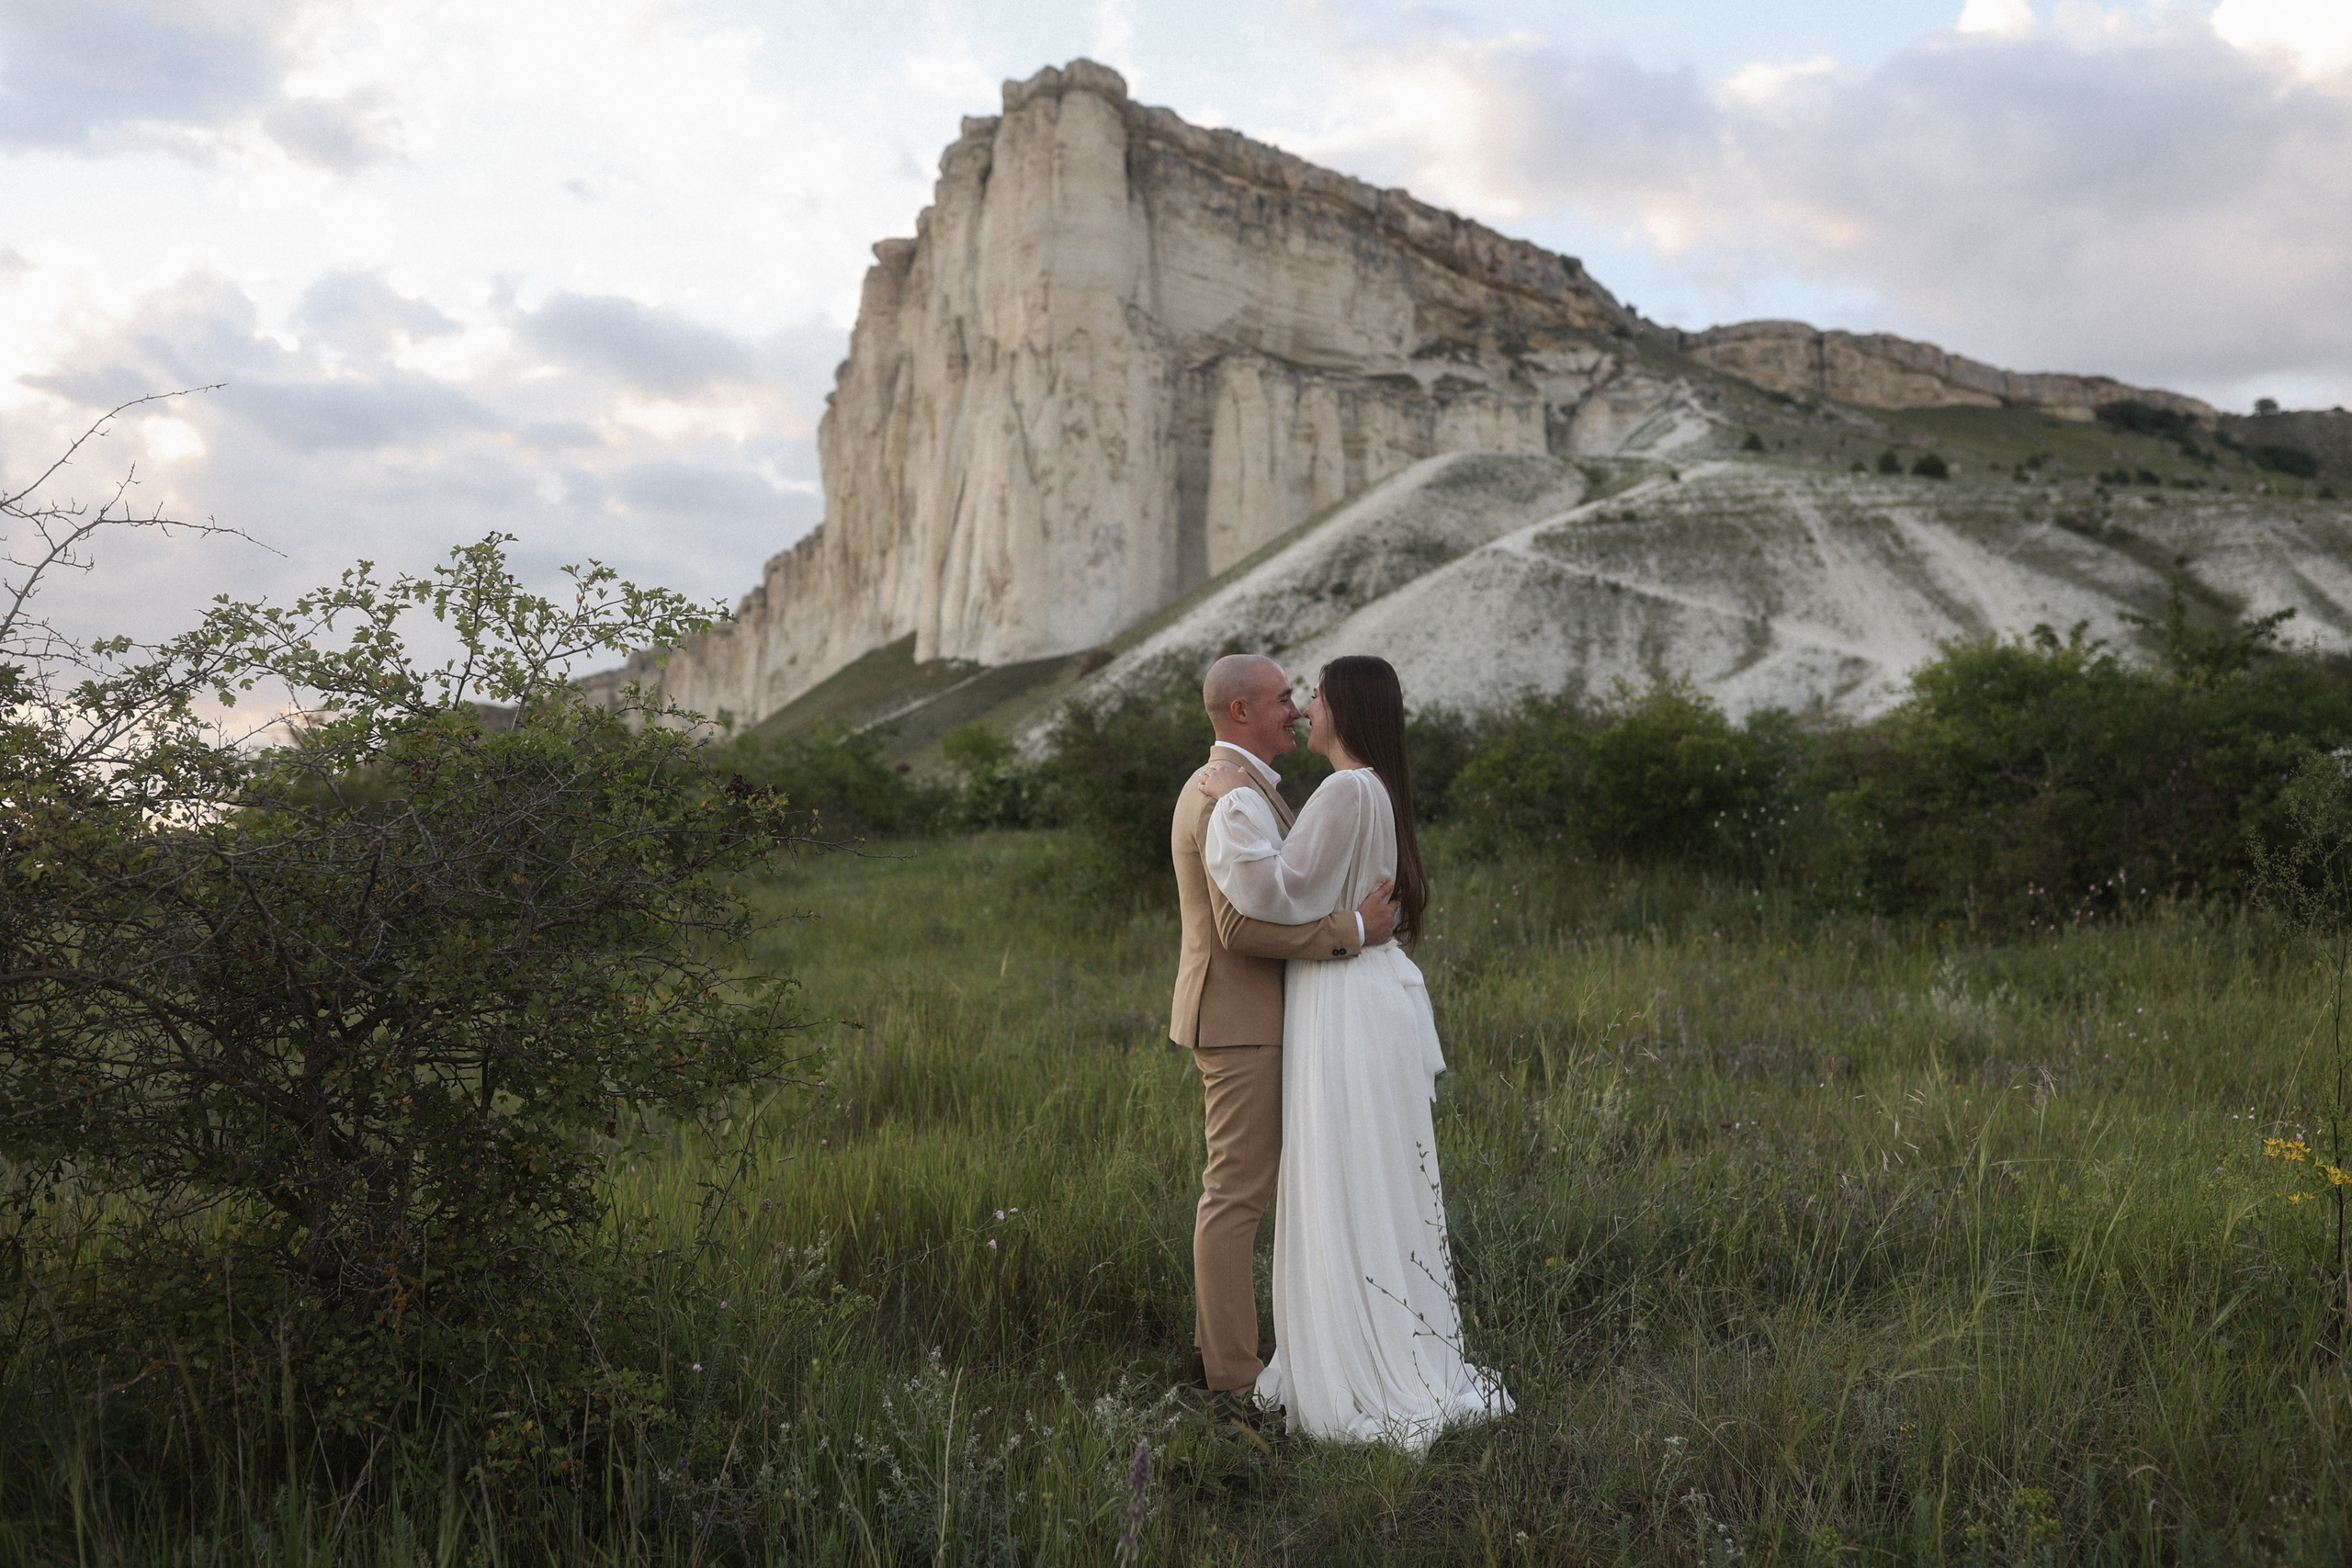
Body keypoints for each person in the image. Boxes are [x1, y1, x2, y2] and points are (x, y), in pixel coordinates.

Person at [1203, 654, 1512, 1452]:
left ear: (1344, 706)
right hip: (1361, 989)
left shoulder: (1345, 788)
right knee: (1371, 1172)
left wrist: (1230, 829)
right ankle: (1383, 1335)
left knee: (1343, 1173)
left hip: (1341, 999)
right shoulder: (1374, 789)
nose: (1304, 708)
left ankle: (1359, 1361)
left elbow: (1280, 889)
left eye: (1313, 695)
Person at [1170, 653, 1398, 1414]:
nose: (1296, 709)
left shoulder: (1245, 790)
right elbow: (1239, 928)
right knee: (1235, 1195)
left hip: (1252, 1019)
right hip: (1239, 1021)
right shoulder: (1227, 797)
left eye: (1299, 697)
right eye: (1280, 698)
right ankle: (1231, 1377)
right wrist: (1353, 930)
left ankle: (1225, 1347)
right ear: (1240, 713)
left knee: (1239, 1192)